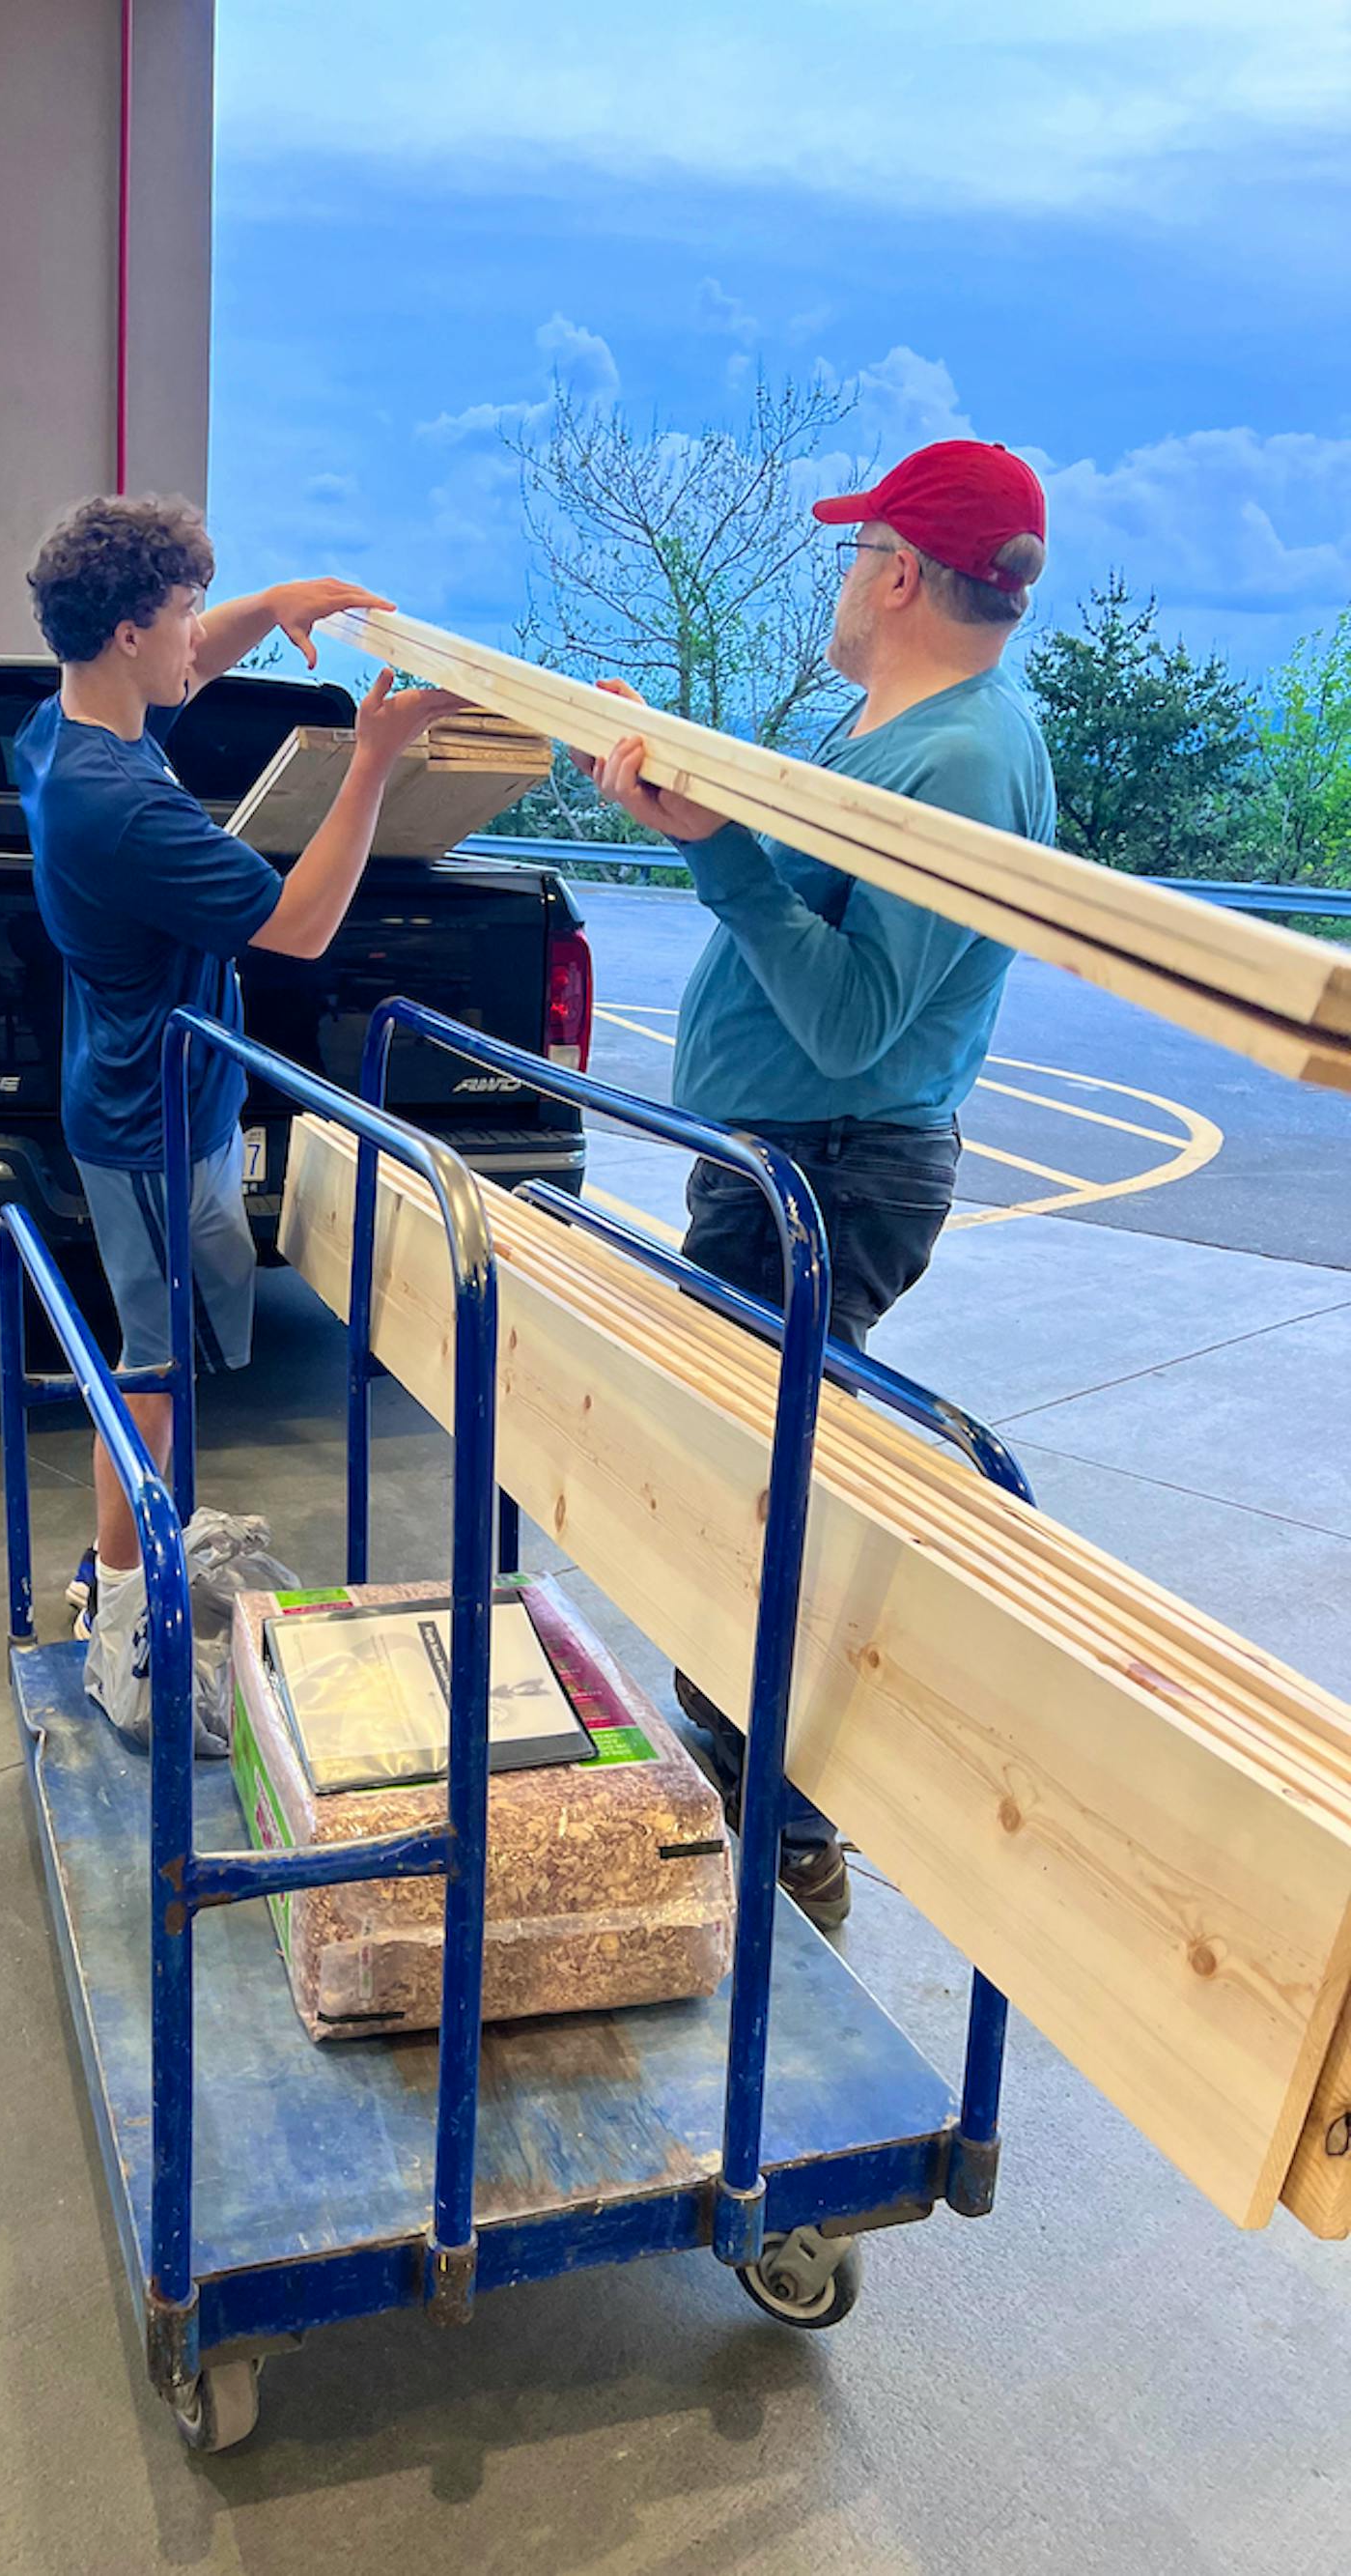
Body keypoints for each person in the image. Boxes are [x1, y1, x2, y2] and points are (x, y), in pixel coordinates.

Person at [574, 439, 1057, 1930]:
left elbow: (852, 1017)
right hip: (784, 1161)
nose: (841, 578)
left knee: (756, 1501)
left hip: (830, 1177)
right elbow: (799, 890)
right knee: (742, 1481)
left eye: (855, 553)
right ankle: (752, 1807)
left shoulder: (963, 760)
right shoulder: (893, 731)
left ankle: (781, 1839)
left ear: (901, 572)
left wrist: (714, 854)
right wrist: (690, 790)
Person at [14, 493, 464, 1738]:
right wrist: (372, 759)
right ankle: (122, 1629)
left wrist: (274, 606)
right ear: (122, 635)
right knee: (149, 1375)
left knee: (165, 1357)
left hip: (150, 1088)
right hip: (150, 1115)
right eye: (184, 615)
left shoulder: (61, 730)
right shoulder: (121, 807)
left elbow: (190, 664)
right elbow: (302, 926)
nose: (198, 636)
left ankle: (137, 1544)